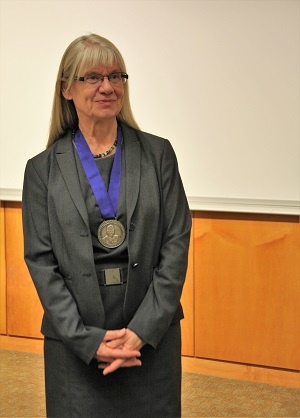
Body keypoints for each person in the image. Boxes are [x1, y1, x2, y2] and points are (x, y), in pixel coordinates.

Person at [22, 33, 191, 418]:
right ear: (67, 88)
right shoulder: (42, 170)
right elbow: (41, 262)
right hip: (75, 348)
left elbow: (176, 244)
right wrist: (87, 341)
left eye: (116, 76)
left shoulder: (158, 153)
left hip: (151, 340)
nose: (108, 86)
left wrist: (141, 331)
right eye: (93, 77)